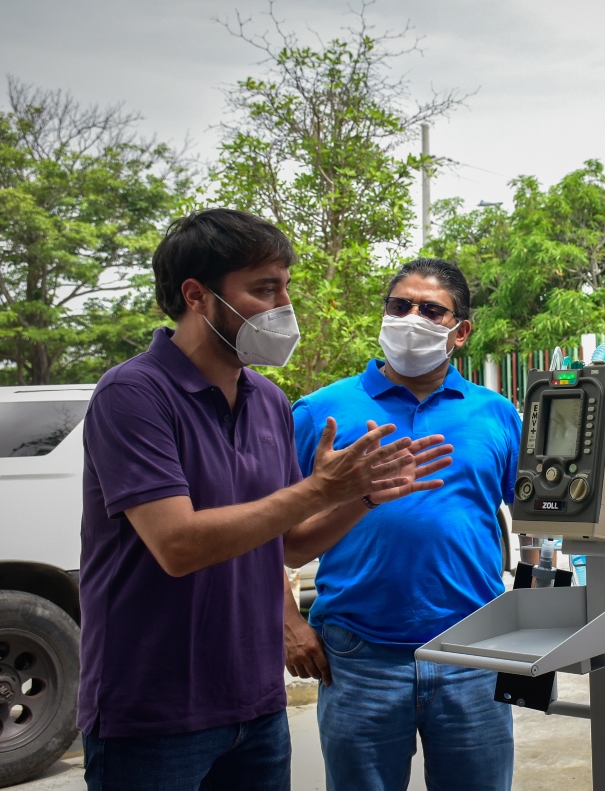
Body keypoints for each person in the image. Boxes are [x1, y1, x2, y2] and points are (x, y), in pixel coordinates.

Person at [78, 209, 451, 791]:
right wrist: (319, 488)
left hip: (253, 704)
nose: (283, 306)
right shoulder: (133, 394)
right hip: (153, 711)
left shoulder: (267, 400)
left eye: (285, 285)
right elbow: (176, 545)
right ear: (197, 296)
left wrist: (361, 499)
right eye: (262, 288)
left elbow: (289, 546)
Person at [283, 258, 522, 791]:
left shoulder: (495, 414)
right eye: (400, 305)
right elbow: (263, 531)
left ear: (460, 332)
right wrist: (289, 622)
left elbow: (539, 513)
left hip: (473, 651)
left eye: (431, 310)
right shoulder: (320, 411)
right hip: (357, 657)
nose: (411, 318)